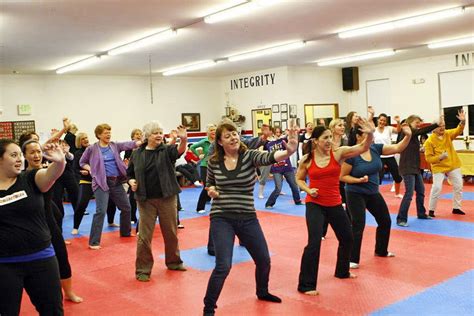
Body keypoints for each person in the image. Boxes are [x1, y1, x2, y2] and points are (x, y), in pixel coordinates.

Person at [202, 120, 298, 315]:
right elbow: (209, 183)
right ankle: (209, 308)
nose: (233, 138)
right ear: (220, 142)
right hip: (222, 217)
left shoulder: (249, 156)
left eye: (235, 134)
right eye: (227, 135)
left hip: (247, 216)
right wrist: (211, 191)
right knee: (223, 266)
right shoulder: (214, 161)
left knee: (263, 260)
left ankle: (262, 291)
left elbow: (271, 157)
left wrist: (289, 151)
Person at [295, 118, 374, 296]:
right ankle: (306, 285)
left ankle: (342, 271)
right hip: (314, 204)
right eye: (325, 138)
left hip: (335, 203)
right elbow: (298, 178)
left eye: (330, 137)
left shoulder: (338, 154)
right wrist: (308, 189)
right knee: (314, 242)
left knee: (347, 238)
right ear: (315, 141)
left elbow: (362, 148)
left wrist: (369, 134)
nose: (329, 140)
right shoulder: (307, 159)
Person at [0, 139, 65, 315]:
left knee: (53, 311)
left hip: (41, 260)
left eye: (20, 155)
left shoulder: (29, 178)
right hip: (4, 265)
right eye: (13, 155)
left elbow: (51, 174)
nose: (20, 159)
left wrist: (59, 161)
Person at [340, 123, 412, 269]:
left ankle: (381, 250)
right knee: (358, 225)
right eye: (367, 134)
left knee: (385, 221)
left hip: (373, 193)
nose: (371, 137)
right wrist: (357, 180)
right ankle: (352, 259)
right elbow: (342, 176)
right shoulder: (351, 154)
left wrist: (408, 135)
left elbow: (397, 148)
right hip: (355, 193)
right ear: (359, 136)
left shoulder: (375, 149)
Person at [22, 139, 83, 303]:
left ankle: (69, 292)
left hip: (49, 222)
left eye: (38, 151)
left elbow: (55, 171)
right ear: (24, 155)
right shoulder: (21, 178)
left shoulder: (47, 171)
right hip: (32, 227)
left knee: (62, 257)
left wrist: (60, 159)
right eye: (31, 152)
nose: (36, 155)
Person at [127, 122, 188, 282]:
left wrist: (183, 140)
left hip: (167, 197)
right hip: (145, 200)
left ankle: (174, 262)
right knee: (144, 237)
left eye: (161, 132)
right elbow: (130, 173)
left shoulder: (166, 150)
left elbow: (179, 151)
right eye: (155, 133)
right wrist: (131, 181)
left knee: (171, 233)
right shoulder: (137, 154)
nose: (159, 135)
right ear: (147, 136)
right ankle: (143, 270)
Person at [79, 123, 140, 249]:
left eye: (109, 132)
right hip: (102, 182)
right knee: (101, 211)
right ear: (99, 135)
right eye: (106, 133)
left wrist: (140, 142)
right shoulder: (92, 148)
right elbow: (82, 162)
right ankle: (94, 242)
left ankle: (125, 232)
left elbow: (128, 144)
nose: (108, 134)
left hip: (116, 182)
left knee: (126, 207)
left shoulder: (114, 145)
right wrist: (90, 169)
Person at [396, 115, 442, 227]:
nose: (418, 125)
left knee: (421, 191)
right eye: (417, 122)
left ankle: (421, 213)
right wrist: (436, 124)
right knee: (409, 193)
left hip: (415, 168)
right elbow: (421, 131)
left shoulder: (414, 134)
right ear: (410, 121)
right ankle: (401, 219)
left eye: (419, 123)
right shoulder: (406, 131)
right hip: (407, 167)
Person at [424, 110, 466, 216]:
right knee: (437, 187)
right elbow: (429, 159)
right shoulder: (429, 142)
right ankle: (431, 210)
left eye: (444, 125)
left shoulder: (447, 134)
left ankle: (456, 207)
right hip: (438, 167)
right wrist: (440, 157)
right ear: (433, 127)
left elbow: (458, 131)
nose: (442, 128)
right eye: (440, 126)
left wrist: (463, 122)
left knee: (459, 185)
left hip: (452, 164)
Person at [264, 127, 302, 208]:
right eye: (276, 132)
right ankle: (269, 203)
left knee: (294, 185)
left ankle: (298, 201)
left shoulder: (283, 140)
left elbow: (290, 138)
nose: (278, 134)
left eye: (279, 133)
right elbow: (265, 154)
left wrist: (295, 132)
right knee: (278, 188)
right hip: (276, 168)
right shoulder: (268, 144)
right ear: (273, 134)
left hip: (287, 167)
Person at [190, 124, 216, 213]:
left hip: (216, 166)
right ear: (208, 132)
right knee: (206, 186)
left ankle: (210, 200)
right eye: (211, 130)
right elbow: (192, 147)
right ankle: (200, 207)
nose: (213, 131)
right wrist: (199, 155)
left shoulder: (219, 141)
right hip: (205, 165)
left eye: (214, 130)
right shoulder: (204, 142)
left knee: (216, 185)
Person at [72, 132, 92, 235]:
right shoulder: (78, 153)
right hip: (86, 180)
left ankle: (111, 221)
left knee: (111, 201)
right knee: (81, 204)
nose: (85, 140)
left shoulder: (93, 149)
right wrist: (81, 172)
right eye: (83, 139)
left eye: (86, 137)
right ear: (79, 141)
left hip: (98, 180)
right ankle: (75, 227)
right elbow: (75, 168)